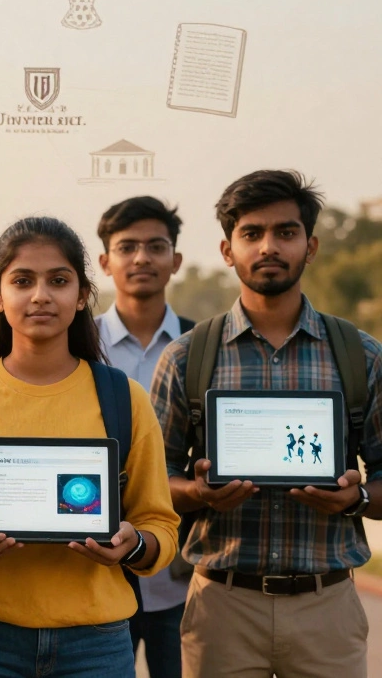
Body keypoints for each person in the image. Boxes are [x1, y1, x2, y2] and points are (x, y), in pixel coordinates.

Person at [150, 170, 382, 678]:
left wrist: (357, 498)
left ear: (311, 244)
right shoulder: (187, 358)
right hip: (222, 605)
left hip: (328, 606)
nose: (269, 246)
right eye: (251, 234)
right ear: (228, 250)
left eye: (286, 232)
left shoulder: (359, 355)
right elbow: (149, 485)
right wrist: (198, 492)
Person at [0, 216, 178, 678]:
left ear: (81, 296)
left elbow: (160, 526)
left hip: (97, 643)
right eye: (22, 281)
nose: (41, 295)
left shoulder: (124, 399)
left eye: (58, 281)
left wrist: (131, 543)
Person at [95, 196, 190, 678]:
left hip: (184, 573)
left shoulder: (202, 346)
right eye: (126, 247)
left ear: (175, 260)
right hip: (96, 566)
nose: (141, 258)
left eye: (156, 246)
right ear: (104, 261)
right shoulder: (77, 348)